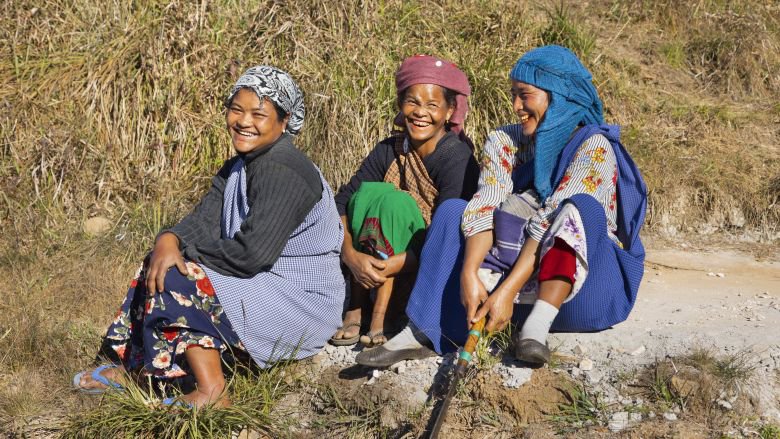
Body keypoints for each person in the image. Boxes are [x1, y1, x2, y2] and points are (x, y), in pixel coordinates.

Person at [357, 45, 647, 367]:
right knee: (454, 210)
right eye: (513, 95)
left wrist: (508, 292)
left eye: (525, 95)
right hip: (500, 292)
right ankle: (421, 331)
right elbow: (486, 203)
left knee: (578, 207)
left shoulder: (594, 146)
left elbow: (550, 218)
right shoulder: (505, 140)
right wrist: (469, 274)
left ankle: (535, 331)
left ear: (558, 97)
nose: (516, 106)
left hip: (573, 296)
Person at [72, 66, 345, 407]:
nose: (244, 121)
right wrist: (169, 239)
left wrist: (185, 257)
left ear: (284, 120)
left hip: (299, 301)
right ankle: (139, 369)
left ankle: (211, 392)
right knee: (160, 261)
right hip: (265, 282)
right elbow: (203, 221)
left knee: (180, 277)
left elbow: (252, 254)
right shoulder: (241, 165)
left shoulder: (283, 169)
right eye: (237, 110)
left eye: (258, 114)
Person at [329, 55, 479, 347]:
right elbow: (342, 203)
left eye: (432, 105)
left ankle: (384, 312)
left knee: (395, 204)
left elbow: (449, 232)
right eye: (412, 102)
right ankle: (357, 304)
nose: (420, 113)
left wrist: (394, 263)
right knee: (367, 194)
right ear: (400, 104)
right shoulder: (389, 150)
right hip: (367, 263)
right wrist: (351, 255)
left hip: (421, 261)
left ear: (449, 111)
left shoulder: (456, 158)